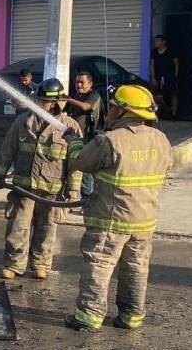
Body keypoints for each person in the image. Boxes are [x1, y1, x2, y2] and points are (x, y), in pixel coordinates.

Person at [64, 85, 172, 332]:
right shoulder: (161, 140)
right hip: (145, 220)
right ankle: (131, 316)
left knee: (99, 264)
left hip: (110, 220)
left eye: (114, 106)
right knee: (136, 267)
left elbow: (81, 161)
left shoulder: (109, 141)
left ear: (124, 112)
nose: (110, 110)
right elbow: (166, 169)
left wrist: (73, 141)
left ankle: (88, 316)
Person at [0, 78, 82, 280]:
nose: (42, 105)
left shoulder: (69, 127)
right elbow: (8, 149)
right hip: (24, 188)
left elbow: (76, 164)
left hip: (52, 191)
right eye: (40, 101)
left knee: (47, 229)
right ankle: (14, 264)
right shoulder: (23, 122)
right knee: (18, 227)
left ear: (57, 103)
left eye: (46, 102)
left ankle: (40, 264)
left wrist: (73, 190)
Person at [64, 70, 102, 199]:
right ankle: (70, 196)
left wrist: (68, 99)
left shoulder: (94, 96)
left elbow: (86, 107)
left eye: (82, 82)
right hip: (74, 136)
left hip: (88, 137)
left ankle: (86, 198)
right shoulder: (75, 96)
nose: (79, 85)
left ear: (90, 84)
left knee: (85, 168)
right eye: (77, 82)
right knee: (71, 165)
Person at [150, 34, 179, 119]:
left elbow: (176, 63)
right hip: (159, 77)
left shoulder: (170, 51)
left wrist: (175, 75)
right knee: (159, 97)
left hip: (169, 76)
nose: (156, 43)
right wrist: (153, 77)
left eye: (158, 41)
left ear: (163, 42)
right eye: (155, 41)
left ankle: (173, 114)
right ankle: (166, 111)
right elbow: (152, 65)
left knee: (173, 94)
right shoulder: (154, 52)